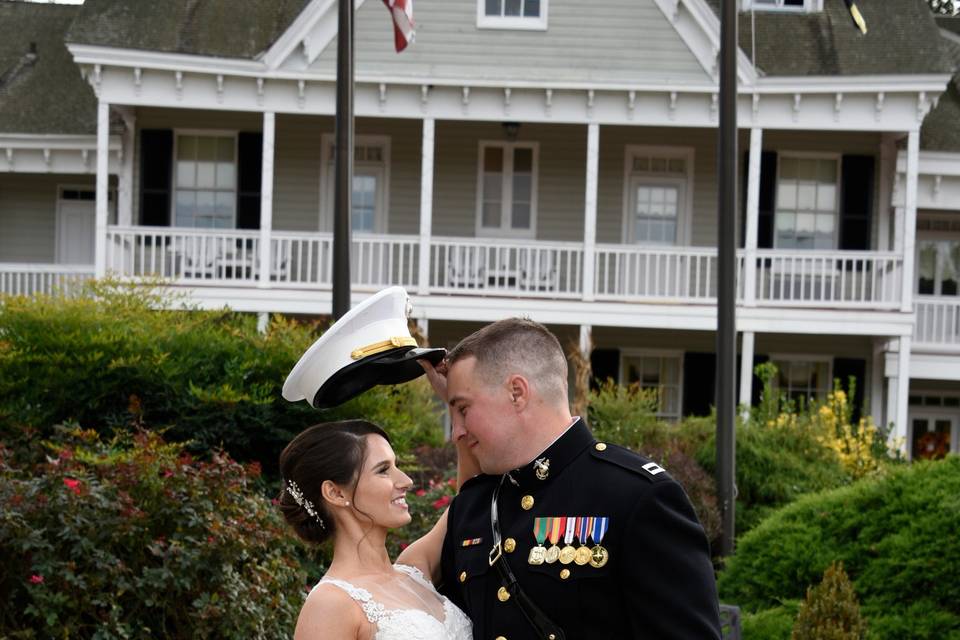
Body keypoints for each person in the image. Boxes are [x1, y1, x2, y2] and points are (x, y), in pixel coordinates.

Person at [421, 318, 723, 639]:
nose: (456, 432)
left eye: (463, 409)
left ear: (517, 392)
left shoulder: (635, 497)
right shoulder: (477, 505)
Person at [278, 419, 476, 640]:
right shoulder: (330, 604)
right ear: (336, 493)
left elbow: (469, 499)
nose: (407, 480)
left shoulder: (416, 571)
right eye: (383, 470)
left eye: (396, 466)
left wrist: (456, 402)